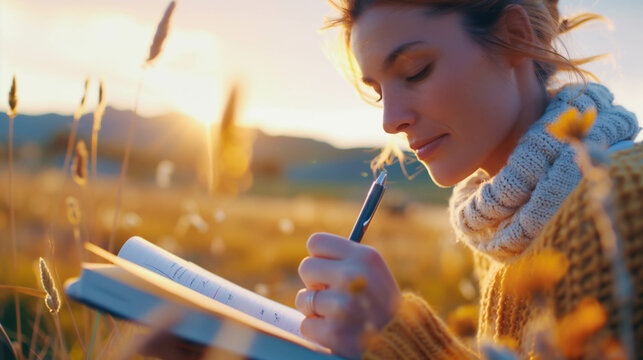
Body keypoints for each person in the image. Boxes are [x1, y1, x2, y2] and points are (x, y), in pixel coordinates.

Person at [294, 0, 641, 359]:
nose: (390, 120)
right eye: (379, 91)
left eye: (416, 71)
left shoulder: (625, 201)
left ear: (513, 37)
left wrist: (396, 335)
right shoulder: (503, 228)